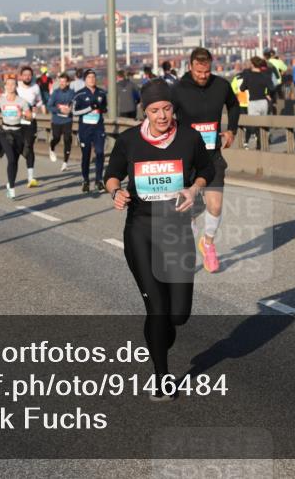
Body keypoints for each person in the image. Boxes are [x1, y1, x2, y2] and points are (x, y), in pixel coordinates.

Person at [103, 79, 213, 401]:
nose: (162, 116)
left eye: (166, 108)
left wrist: (194, 189)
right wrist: (116, 192)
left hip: (177, 230)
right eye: (155, 110)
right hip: (141, 230)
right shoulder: (128, 141)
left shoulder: (190, 138)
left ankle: (160, 333)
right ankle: (162, 377)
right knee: (158, 309)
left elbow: (207, 170)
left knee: (178, 314)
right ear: (145, 111)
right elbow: (111, 174)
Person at [170, 47, 239, 273]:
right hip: (185, 159)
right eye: (199, 71)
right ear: (190, 66)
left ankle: (207, 243)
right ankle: (189, 247)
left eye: (206, 71)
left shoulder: (220, 85)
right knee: (187, 209)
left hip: (212, 155)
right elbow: (163, 116)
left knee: (216, 205)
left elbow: (234, 104)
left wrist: (231, 131)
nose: (203, 76)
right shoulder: (178, 89)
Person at [0, 77, 34, 199]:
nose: (10, 86)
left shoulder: (22, 102)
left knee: (15, 161)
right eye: (8, 84)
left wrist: (25, 116)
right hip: (5, 132)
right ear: (5, 86)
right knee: (10, 159)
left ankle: (10, 184)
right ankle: (12, 189)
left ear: (16, 86)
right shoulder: (0, 101)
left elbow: (30, 117)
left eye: (13, 84)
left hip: (18, 133)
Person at [73, 69, 108, 193]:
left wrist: (101, 109)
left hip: (98, 128)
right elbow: (74, 112)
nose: (92, 79)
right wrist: (88, 108)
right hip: (85, 129)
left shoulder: (102, 93)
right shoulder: (79, 94)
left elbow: (104, 108)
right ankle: (86, 180)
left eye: (93, 77)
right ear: (85, 79)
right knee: (86, 156)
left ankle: (99, 181)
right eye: (89, 77)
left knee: (99, 153)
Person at [17, 66, 45, 188]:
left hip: (30, 122)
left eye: (29, 75)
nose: (27, 77)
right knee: (19, 148)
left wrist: (37, 107)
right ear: (21, 76)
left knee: (29, 146)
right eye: (25, 75)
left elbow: (39, 101)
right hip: (17, 122)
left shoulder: (35, 87)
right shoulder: (16, 87)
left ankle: (30, 177)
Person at [240, 56, 275, 150]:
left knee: (253, 124)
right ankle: (262, 142)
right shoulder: (265, 75)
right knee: (263, 123)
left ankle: (258, 142)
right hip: (263, 102)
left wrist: (249, 86)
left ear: (252, 64)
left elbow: (242, 88)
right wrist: (267, 94)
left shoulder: (248, 76)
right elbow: (272, 87)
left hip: (253, 103)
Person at [48, 72, 75, 170]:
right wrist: (60, 110)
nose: (62, 83)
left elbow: (76, 104)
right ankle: (51, 147)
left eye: (64, 82)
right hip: (56, 120)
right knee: (56, 138)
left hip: (67, 120)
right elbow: (49, 106)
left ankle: (65, 163)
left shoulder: (72, 93)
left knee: (67, 139)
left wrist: (71, 109)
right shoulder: (56, 93)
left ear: (68, 83)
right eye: (61, 82)